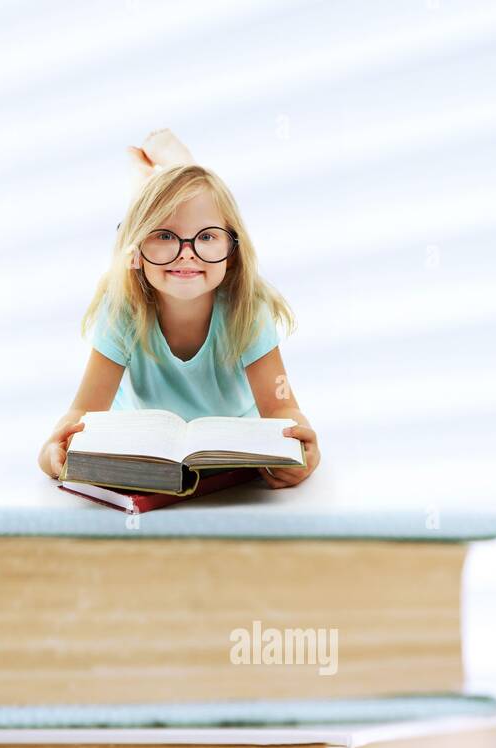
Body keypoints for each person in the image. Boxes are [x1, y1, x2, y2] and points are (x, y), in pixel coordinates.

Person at [38, 129, 320, 490]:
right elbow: (82, 412)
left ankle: (172, 172)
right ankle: (150, 184)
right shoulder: (122, 309)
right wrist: (52, 448)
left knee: (190, 201)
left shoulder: (248, 308)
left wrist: (302, 447)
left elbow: (283, 408)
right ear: (140, 252)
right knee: (160, 223)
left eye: (207, 237)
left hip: (231, 438)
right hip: (147, 441)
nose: (187, 252)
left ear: (231, 252)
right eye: (164, 236)